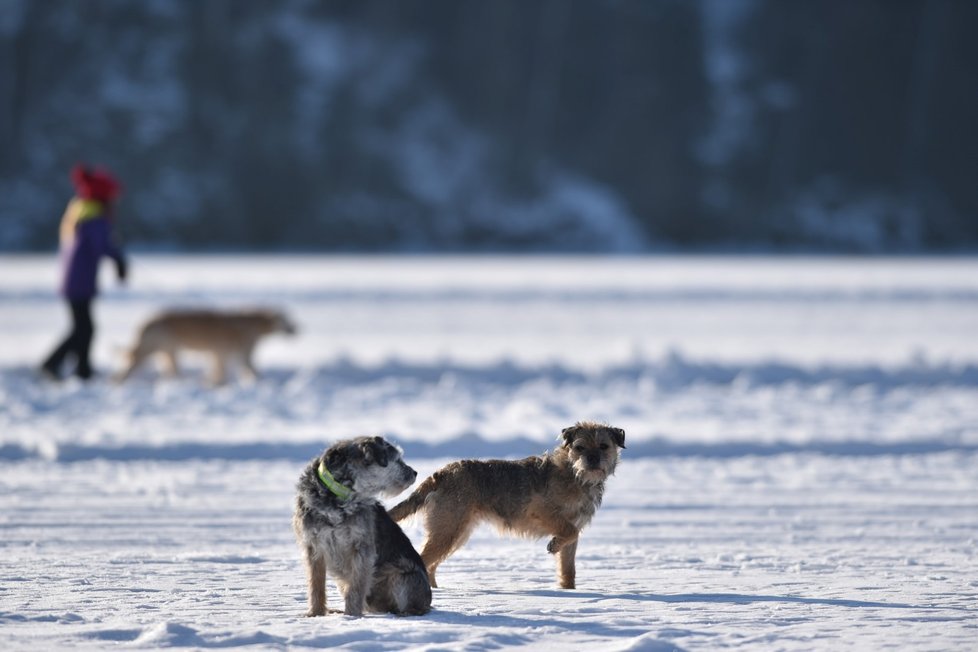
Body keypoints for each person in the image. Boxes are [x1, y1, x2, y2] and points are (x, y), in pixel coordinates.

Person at [40, 164, 128, 381]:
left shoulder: (81, 211)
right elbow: (102, 245)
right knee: (84, 328)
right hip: (80, 282)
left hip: (75, 281)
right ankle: (53, 364)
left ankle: (82, 368)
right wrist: (119, 260)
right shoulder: (94, 217)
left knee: (84, 327)